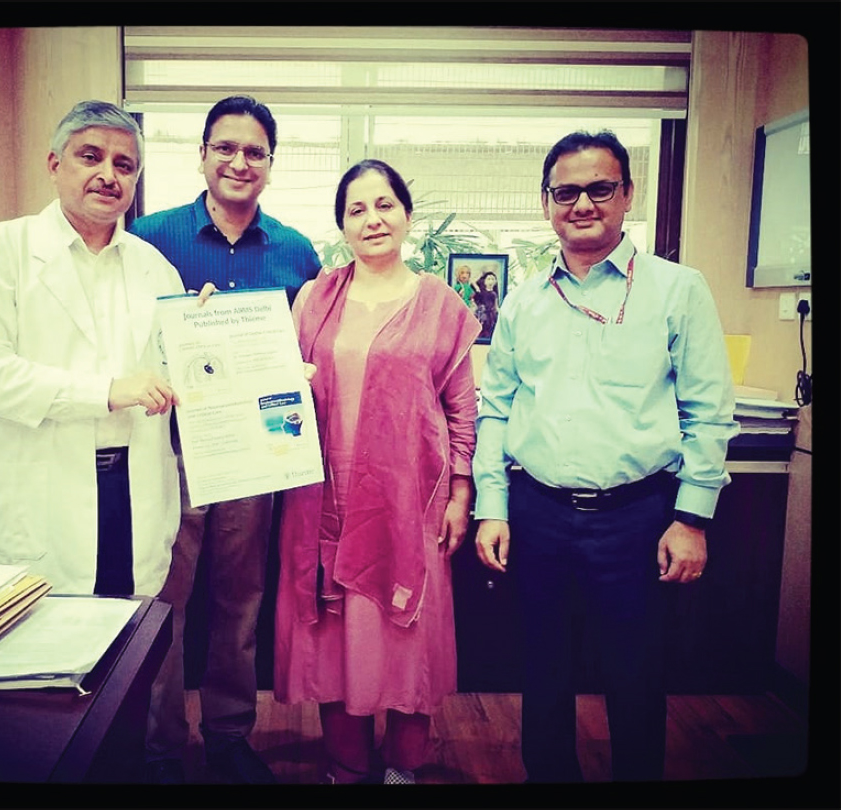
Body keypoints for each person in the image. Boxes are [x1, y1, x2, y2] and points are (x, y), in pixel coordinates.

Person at [472, 130, 738, 783]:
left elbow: (708, 411)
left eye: (599, 188)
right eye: (566, 191)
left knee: (636, 674)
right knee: (542, 672)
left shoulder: (677, 290)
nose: (582, 203)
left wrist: (692, 518)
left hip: (637, 517)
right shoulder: (523, 301)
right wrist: (491, 507)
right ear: (545, 203)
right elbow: (495, 409)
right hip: (537, 514)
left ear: (626, 195)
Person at [128, 95, 321, 785]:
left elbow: (312, 347)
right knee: (164, 605)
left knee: (240, 604)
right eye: (226, 148)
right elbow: (126, 338)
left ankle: (229, 738)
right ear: (203, 155)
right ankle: (158, 749)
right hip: (169, 453)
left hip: (254, 456)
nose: (240, 162)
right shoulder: (149, 236)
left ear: (270, 163)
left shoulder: (297, 251)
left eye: (255, 152)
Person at [274, 159, 480, 785]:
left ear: (407, 214)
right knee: (335, 641)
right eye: (357, 209)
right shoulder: (315, 298)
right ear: (341, 225)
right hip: (322, 500)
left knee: (403, 637)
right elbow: (278, 390)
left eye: (384, 204)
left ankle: (402, 770)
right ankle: (346, 766)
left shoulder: (441, 305)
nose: (372, 219)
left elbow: (462, 408)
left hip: (408, 504)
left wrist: (461, 492)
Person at [0, 100, 185, 599]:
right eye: (90, 156)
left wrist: (226, 346)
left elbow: (178, 379)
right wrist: (106, 392)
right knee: (43, 658)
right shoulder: (0, 251)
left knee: (126, 645)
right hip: (43, 489)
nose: (107, 175)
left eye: (124, 165)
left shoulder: (156, 268)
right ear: (55, 165)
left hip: (135, 488)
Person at [473, 268, 500, 339]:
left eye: (492, 279)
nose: (491, 281)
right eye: (488, 279)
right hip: (482, 315)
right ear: (484, 281)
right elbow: (473, 283)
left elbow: (496, 306)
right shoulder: (480, 292)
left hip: (491, 316)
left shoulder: (494, 294)